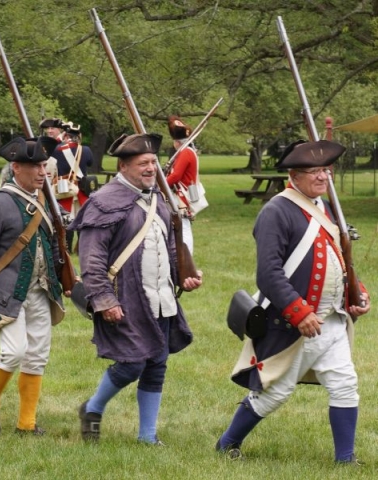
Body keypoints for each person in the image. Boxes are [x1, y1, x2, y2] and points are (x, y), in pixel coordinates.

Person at [216, 140, 370, 464]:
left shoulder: (325, 207)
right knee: (274, 393)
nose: (322, 176)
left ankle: (346, 460)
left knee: (345, 384)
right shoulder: (276, 211)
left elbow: (339, 259)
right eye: (313, 171)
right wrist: (298, 312)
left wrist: (355, 294)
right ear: (293, 176)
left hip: (332, 319)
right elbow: (268, 273)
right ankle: (227, 443)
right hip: (293, 323)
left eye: (325, 170)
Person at [69, 132, 202, 444]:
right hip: (124, 298)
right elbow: (92, 259)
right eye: (143, 163)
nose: (151, 168)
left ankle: (147, 436)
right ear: (123, 166)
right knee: (132, 364)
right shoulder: (103, 202)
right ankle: (93, 407)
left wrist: (183, 274)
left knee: (156, 365)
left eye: (153, 162)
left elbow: (170, 247)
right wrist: (104, 299)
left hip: (161, 299)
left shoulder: (158, 199)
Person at [0, 136, 69, 437]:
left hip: (41, 290)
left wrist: (66, 278)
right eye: (36, 167)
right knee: (14, 352)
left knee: (37, 355)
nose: (43, 172)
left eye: (44, 165)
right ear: (16, 168)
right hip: (7, 293)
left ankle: (26, 423)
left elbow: (52, 245)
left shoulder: (45, 201)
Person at [49, 121, 95, 252]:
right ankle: (82, 248)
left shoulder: (56, 149)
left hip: (64, 188)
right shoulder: (86, 150)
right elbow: (90, 163)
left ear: (65, 135)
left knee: (66, 220)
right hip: (81, 190)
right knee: (82, 219)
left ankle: (67, 247)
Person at [165, 115, 201, 254]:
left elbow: (176, 176)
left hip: (181, 195)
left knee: (183, 227)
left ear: (176, 142)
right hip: (183, 192)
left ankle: (186, 258)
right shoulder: (188, 151)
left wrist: (161, 185)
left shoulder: (185, 152)